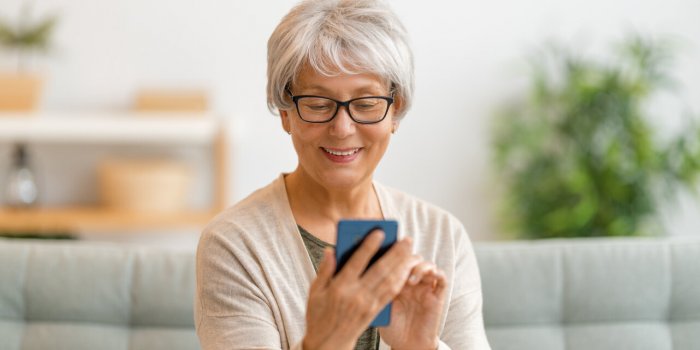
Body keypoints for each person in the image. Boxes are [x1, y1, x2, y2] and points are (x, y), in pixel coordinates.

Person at [194, 0, 491, 349]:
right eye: (318, 104)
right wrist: (326, 340)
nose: (342, 128)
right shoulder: (234, 245)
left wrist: (419, 346)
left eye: (366, 104)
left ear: (395, 111)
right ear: (286, 112)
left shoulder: (443, 237)